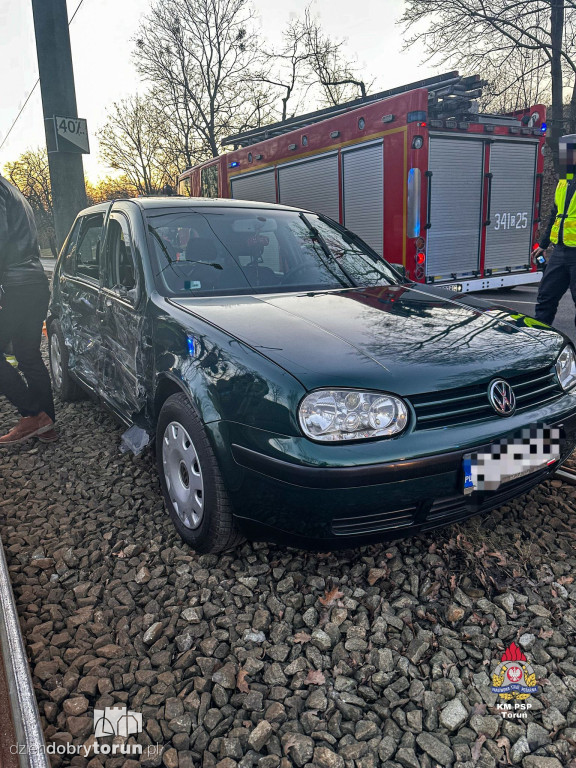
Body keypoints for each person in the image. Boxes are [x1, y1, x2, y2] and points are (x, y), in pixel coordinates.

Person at [0, 173, 56, 445]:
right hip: (33, 283)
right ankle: (47, 425)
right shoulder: (13, 189)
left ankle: (32, 415)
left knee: (24, 355)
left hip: (12, 285)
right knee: (28, 355)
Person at [533, 134, 576, 327]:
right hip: (560, 251)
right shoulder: (564, 180)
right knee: (545, 298)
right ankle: (540, 344)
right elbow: (555, 213)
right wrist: (543, 244)